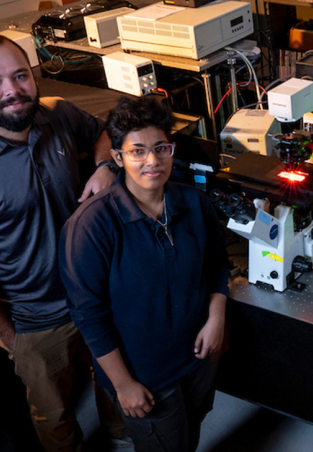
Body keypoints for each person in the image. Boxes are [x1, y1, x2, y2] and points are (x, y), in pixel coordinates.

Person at [0, 33, 124, 451]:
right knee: (54, 414)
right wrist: (7, 334)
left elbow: (105, 132)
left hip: (96, 292)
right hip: (35, 320)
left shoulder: (58, 114)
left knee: (116, 379)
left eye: (20, 76)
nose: (12, 90)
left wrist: (104, 165)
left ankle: (122, 438)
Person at [59, 96, 229, 452]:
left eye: (160, 148)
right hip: (145, 376)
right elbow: (89, 316)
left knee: (189, 433)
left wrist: (216, 318)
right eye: (137, 151)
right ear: (118, 158)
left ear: (172, 149)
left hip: (197, 359)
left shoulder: (194, 204)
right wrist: (122, 385)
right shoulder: (91, 226)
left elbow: (215, 263)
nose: (152, 161)